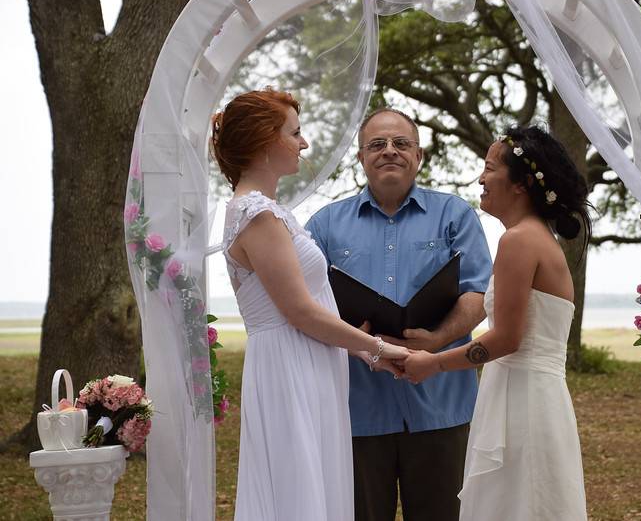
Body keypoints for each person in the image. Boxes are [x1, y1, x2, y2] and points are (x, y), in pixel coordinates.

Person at [211, 89, 409, 521]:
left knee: (316, 483)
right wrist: (378, 346)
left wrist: (361, 352)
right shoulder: (255, 214)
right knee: (297, 489)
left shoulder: (267, 211)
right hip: (290, 366)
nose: (304, 143)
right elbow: (299, 311)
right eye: (295, 133)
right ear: (266, 141)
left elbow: (311, 306)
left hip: (309, 360)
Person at [305, 108, 493, 521]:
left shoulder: (455, 215)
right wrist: (359, 344)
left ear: (419, 155)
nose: (389, 151)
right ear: (360, 158)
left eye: (400, 143)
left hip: (441, 406)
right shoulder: (323, 225)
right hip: (356, 409)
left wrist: (436, 340)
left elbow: (478, 292)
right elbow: (308, 307)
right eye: (377, 144)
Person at [402, 125, 591, 520]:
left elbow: (506, 338)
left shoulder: (519, 240)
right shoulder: (538, 238)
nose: (481, 179)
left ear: (521, 183)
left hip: (521, 402)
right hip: (532, 394)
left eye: (489, 168)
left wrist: (433, 362)